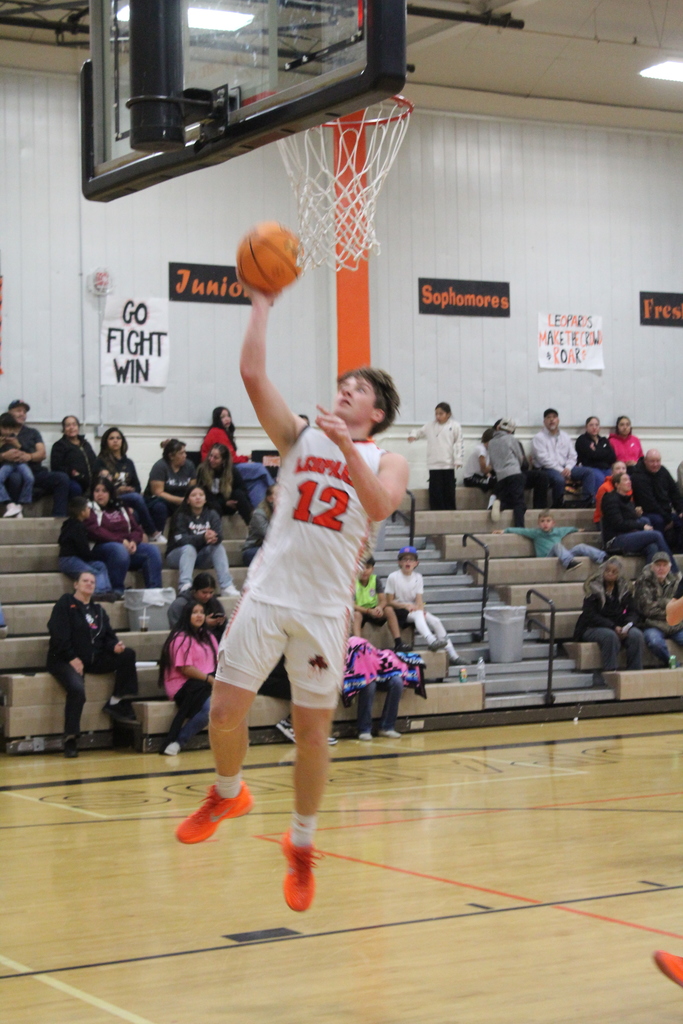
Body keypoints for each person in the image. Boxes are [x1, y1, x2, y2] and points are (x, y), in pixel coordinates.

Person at [176, 289, 409, 915]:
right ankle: (229, 791)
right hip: (270, 592)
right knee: (223, 713)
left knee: (313, 735)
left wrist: (343, 446)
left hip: (325, 608)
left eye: (356, 389)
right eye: (341, 385)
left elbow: (381, 506)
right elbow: (252, 374)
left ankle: (301, 845)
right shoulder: (301, 437)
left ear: (377, 410)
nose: (343, 391)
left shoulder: (389, 458)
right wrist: (261, 301)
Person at [46, 570, 138, 757]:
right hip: (64, 659)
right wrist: (72, 658)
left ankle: (117, 701)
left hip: (92, 659)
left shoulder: (98, 611)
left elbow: (109, 637)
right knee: (77, 690)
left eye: (92, 582)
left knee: (128, 655)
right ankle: (70, 738)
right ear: (76, 585)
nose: (89, 584)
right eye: (85, 581)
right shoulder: (66, 603)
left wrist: (115, 646)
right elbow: (57, 634)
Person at [158, 601, 219, 756]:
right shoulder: (180, 638)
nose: (199, 615)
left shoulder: (209, 636)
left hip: (206, 684)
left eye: (201, 612)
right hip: (184, 686)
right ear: (187, 615)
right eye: (194, 612)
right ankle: (179, 741)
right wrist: (210, 680)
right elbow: (186, 669)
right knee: (210, 709)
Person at [385, 546, 464, 665]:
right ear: (399, 562)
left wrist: (420, 609)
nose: (408, 562)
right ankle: (431, 640)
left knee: (436, 620)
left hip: (414, 610)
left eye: (411, 559)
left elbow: (419, 601)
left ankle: (453, 655)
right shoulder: (393, 577)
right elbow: (389, 601)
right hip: (399, 610)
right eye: (404, 559)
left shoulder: (418, 577)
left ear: (416, 563)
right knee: (418, 615)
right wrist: (405, 606)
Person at [86, 477, 163, 595]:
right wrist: (120, 541)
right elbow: (94, 531)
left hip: (125, 548)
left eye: (104, 491)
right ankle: (117, 589)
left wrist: (133, 541)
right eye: (97, 491)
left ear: (110, 493)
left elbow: (136, 529)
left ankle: (155, 593)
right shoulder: (89, 508)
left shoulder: (121, 507)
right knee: (119, 549)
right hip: (101, 549)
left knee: (152, 551)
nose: (100, 494)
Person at [572, 557, 644, 682]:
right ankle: (610, 675)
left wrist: (627, 625)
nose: (610, 573)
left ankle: (635, 674)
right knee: (610, 636)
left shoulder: (624, 589)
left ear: (619, 574)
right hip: (592, 627)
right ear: (603, 571)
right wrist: (613, 626)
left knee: (636, 635)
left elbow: (633, 611)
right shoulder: (593, 588)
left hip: (619, 626)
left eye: (614, 571)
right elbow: (590, 615)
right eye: (608, 570)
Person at [95, 426, 166, 544]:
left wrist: (130, 489)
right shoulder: (100, 462)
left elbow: (137, 486)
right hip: (113, 498)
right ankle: (153, 532)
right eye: (111, 438)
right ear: (106, 442)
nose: (115, 440)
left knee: (159, 505)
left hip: (132, 498)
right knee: (135, 498)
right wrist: (118, 490)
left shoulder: (128, 463)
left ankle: (154, 534)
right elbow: (99, 487)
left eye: (118, 438)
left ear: (122, 441)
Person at [166, 483, 239, 597]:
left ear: (205, 499)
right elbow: (181, 540)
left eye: (201, 495)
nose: (198, 497)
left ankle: (226, 586)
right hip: (177, 556)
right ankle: (185, 585)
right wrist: (203, 538)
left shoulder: (212, 514)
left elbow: (219, 536)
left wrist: (213, 537)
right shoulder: (180, 515)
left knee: (218, 547)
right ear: (188, 500)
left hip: (201, 557)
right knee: (189, 548)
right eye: (194, 495)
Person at [5, 399, 70, 517]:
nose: (22, 414)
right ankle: (14, 511)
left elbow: (42, 454)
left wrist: (29, 456)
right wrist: (4, 456)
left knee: (62, 478)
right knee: (15, 478)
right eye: (18, 411)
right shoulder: (2, 431)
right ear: (10, 413)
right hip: (11, 472)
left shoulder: (33, 433)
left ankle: (59, 517)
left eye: (24, 412)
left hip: (35, 471)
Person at [199, 406, 273, 507]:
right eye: (223, 417)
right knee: (259, 468)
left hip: (227, 466)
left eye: (228, 415)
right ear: (217, 419)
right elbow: (230, 459)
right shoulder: (217, 432)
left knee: (258, 483)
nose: (227, 419)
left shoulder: (221, 432)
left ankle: (260, 512)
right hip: (221, 468)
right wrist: (247, 459)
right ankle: (277, 491)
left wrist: (245, 458)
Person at [601, 472, 677, 568]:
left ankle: (648, 578)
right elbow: (618, 524)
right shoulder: (610, 499)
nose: (629, 482)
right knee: (656, 535)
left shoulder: (627, 501)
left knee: (652, 547)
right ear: (617, 485)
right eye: (625, 480)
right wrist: (641, 526)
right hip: (615, 539)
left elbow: (629, 520)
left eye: (629, 479)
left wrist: (636, 515)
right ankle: (674, 571)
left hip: (628, 536)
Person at [494, 509, 606, 572]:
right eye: (542, 521)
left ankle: (603, 557)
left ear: (553, 523)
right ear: (539, 523)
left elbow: (569, 529)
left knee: (581, 546)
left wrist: (577, 529)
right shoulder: (536, 533)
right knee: (557, 546)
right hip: (547, 557)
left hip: (561, 555)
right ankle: (569, 563)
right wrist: (505, 530)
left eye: (548, 521)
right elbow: (520, 530)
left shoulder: (558, 531)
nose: (545, 523)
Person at [530, 408, 598, 506]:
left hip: (566, 467)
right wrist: (561, 470)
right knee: (559, 480)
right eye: (548, 418)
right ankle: (558, 505)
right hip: (548, 469)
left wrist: (568, 467)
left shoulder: (565, 436)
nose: (552, 420)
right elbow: (543, 459)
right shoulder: (539, 438)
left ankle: (587, 502)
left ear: (558, 420)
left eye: (554, 417)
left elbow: (573, 455)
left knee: (588, 473)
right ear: (544, 422)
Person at [408, 401, 463, 510]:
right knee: (435, 491)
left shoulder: (455, 426)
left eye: (441, 413)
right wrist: (413, 435)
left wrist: (458, 459)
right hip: (434, 464)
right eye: (436, 413)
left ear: (448, 414)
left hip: (448, 464)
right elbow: (418, 432)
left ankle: (450, 513)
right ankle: (436, 513)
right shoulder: (430, 426)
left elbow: (459, 443)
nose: (438, 416)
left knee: (449, 491)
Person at [58, 495, 114, 599]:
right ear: (82, 512)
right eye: (87, 508)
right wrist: (92, 556)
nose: (90, 510)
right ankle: (97, 592)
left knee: (101, 566)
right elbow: (83, 549)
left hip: (76, 558)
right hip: (69, 560)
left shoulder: (71, 525)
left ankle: (106, 590)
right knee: (92, 572)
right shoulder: (77, 527)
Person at [633, 552, 683, 666]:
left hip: (675, 625)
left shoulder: (676, 582)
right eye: (658, 565)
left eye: (664, 565)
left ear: (669, 567)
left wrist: (661, 603)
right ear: (652, 567)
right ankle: (673, 663)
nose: (661, 568)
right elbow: (648, 610)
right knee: (655, 642)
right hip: (652, 625)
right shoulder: (643, 582)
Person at [631, 449, 683, 552]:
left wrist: (680, 510)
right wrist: (668, 519)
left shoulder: (663, 471)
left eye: (658, 461)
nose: (655, 464)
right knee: (658, 520)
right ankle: (662, 553)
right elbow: (649, 503)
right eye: (652, 461)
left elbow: (674, 492)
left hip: (664, 511)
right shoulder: (638, 476)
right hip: (648, 512)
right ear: (645, 461)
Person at [353, 556, 406, 651]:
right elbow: (352, 605)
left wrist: (380, 608)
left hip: (374, 609)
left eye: (368, 567)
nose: (364, 571)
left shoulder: (375, 579)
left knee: (388, 609)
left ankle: (398, 642)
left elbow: (383, 600)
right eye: (361, 568)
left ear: (372, 569)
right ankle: (358, 646)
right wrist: (369, 611)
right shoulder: (353, 582)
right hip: (362, 611)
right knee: (356, 615)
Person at [144, 439, 196, 531]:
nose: (185, 455)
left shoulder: (189, 465)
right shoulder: (160, 466)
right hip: (160, 500)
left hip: (181, 499)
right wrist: (180, 500)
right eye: (181, 453)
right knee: (160, 507)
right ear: (171, 456)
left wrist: (189, 499)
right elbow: (158, 493)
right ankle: (157, 534)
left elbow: (193, 488)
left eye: (185, 452)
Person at [196, 443, 252, 525]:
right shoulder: (202, 470)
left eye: (216, 458)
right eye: (210, 456)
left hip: (228, 503)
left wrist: (233, 502)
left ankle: (251, 526)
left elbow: (243, 490)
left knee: (239, 494)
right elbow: (203, 493)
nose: (211, 459)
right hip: (210, 504)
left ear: (223, 460)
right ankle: (215, 532)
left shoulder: (232, 470)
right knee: (214, 505)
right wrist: (223, 503)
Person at [487, 419, 526, 526]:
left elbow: (492, 462)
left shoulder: (491, 442)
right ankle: (520, 527)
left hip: (500, 477)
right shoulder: (510, 439)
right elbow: (520, 457)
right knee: (519, 502)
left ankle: (500, 504)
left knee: (509, 498)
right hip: (514, 473)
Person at [167, 571, 227, 638]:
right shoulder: (179, 605)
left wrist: (220, 621)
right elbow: (177, 630)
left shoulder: (214, 602)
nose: (208, 596)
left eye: (211, 592)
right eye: (204, 592)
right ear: (194, 590)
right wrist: (203, 623)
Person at [50, 415, 98, 496]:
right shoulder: (59, 445)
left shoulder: (85, 444)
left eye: (74, 424)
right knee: (76, 489)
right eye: (68, 425)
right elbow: (56, 466)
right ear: (64, 429)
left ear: (78, 427)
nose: (71, 427)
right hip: (72, 480)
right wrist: (72, 473)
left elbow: (94, 461)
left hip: (90, 479)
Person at [0, 412, 34, 517]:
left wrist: (18, 445)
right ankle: (8, 503)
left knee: (30, 478)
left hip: (20, 463)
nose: (8, 432)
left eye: (10, 429)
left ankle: (21, 504)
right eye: (5, 429)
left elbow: (27, 451)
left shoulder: (16, 437)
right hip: (6, 464)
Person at [574, 417, 616, 488]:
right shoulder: (582, 440)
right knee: (600, 479)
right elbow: (590, 455)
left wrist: (596, 451)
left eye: (596, 425)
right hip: (591, 468)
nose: (594, 427)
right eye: (591, 425)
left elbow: (612, 456)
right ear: (586, 427)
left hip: (606, 468)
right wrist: (603, 452)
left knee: (616, 478)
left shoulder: (604, 440)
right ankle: (597, 498)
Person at [241, 484, 276, 565]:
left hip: (272, 549)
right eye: (278, 495)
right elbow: (270, 535)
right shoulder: (259, 514)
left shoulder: (284, 515)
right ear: (270, 498)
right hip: (253, 549)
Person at [463, 427, 496, 497]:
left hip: (479, 476)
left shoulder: (489, 450)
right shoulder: (481, 450)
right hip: (471, 478)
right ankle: (492, 504)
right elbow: (484, 469)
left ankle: (493, 502)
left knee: (499, 482)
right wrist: (494, 464)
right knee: (495, 483)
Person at [593, 460, 628, 525]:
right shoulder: (604, 487)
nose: (621, 471)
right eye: (618, 468)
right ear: (612, 472)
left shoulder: (628, 486)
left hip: (625, 517)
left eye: (623, 468)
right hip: (605, 520)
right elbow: (601, 509)